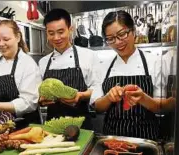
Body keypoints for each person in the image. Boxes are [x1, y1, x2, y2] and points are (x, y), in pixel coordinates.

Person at [93, 10, 173, 140]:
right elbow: (97, 107)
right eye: (111, 38)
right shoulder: (103, 65)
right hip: (112, 139)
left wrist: (143, 99)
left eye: (122, 34)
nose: (118, 42)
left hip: (146, 139)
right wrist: (108, 97)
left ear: (133, 31)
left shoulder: (155, 61)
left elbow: (167, 106)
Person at [38, 8, 100, 130]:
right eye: (51, 33)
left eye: (61, 32)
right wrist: (41, 100)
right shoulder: (43, 62)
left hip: (82, 126)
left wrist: (80, 95)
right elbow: (39, 93)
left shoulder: (88, 56)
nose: (56, 38)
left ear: (70, 29)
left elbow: (98, 88)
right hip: (53, 127)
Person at [0, 20, 42, 129]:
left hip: (22, 127)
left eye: (6, 39)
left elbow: (29, 102)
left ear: (18, 37)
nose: (1, 44)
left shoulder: (27, 64)